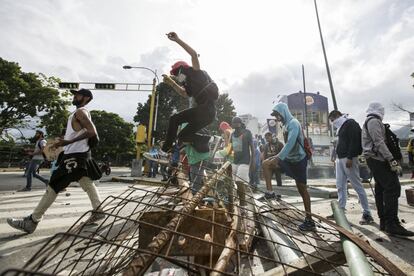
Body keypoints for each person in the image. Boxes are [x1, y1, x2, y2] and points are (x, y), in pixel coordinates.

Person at [7, 89, 104, 234]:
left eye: (77, 94)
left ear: (85, 98)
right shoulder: (78, 113)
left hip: (75, 156)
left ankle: (32, 221)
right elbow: (86, 133)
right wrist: (63, 143)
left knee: (53, 187)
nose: (74, 96)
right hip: (78, 155)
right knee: (86, 181)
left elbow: (92, 132)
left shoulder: (81, 112)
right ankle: (98, 210)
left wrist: (68, 141)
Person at [160, 32, 219, 159]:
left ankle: (166, 148)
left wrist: (177, 40)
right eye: (176, 75)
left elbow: (193, 54)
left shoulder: (196, 72)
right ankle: (206, 141)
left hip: (206, 109)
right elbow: (183, 92)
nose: (178, 76)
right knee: (183, 136)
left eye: (178, 73)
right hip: (206, 115)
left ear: (183, 68)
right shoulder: (189, 84)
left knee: (174, 119)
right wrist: (171, 82)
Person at [362, 102, 414, 236]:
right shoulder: (373, 121)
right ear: (378, 110)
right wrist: (391, 159)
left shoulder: (372, 121)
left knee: (381, 188)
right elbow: (379, 142)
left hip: (375, 159)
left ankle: (385, 221)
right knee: (392, 187)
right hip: (378, 159)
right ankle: (392, 223)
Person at [269, 103, 315, 231]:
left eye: (277, 115)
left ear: (283, 112)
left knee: (302, 189)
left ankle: (310, 220)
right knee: (267, 163)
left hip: (299, 160)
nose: (277, 118)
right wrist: (277, 157)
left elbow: (291, 142)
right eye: (275, 116)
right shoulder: (284, 126)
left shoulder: (294, 123)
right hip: (289, 159)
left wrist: (278, 157)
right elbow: (287, 146)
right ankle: (269, 192)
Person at [325, 110, 374, 224]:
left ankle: (367, 213)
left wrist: (351, 157)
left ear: (337, 116)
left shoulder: (350, 123)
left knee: (357, 185)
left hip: (348, 158)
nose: (332, 123)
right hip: (340, 159)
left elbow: (355, 141)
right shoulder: (341, 127)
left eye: (332, 120)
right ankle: (340, 211)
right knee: (340, 185)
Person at [229, 117, 255, 207]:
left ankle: (243, 204)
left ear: (239, 124)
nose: (233, 124)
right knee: (234, 182)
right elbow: (230, 148)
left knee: (240, 182)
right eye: (232, 123)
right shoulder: (232, 134)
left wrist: (253, 161)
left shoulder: (247, 133)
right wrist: (227, 160)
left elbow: (252, 147)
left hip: (245, 161)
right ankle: (239, 201)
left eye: (235, 123)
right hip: (235, 161)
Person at [261, 132, 284, 199]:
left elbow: (282, 154)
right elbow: (265, 156)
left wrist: (279, 164)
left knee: (278, 180)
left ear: (271, 136)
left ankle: (279, 195)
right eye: (266, 138)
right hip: (269, 165)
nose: (267, 139)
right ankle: (270, 192)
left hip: (277, 165)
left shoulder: (279, 144)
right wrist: (264, 166)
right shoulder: (266, 145)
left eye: (268, 138)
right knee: (268, 179)